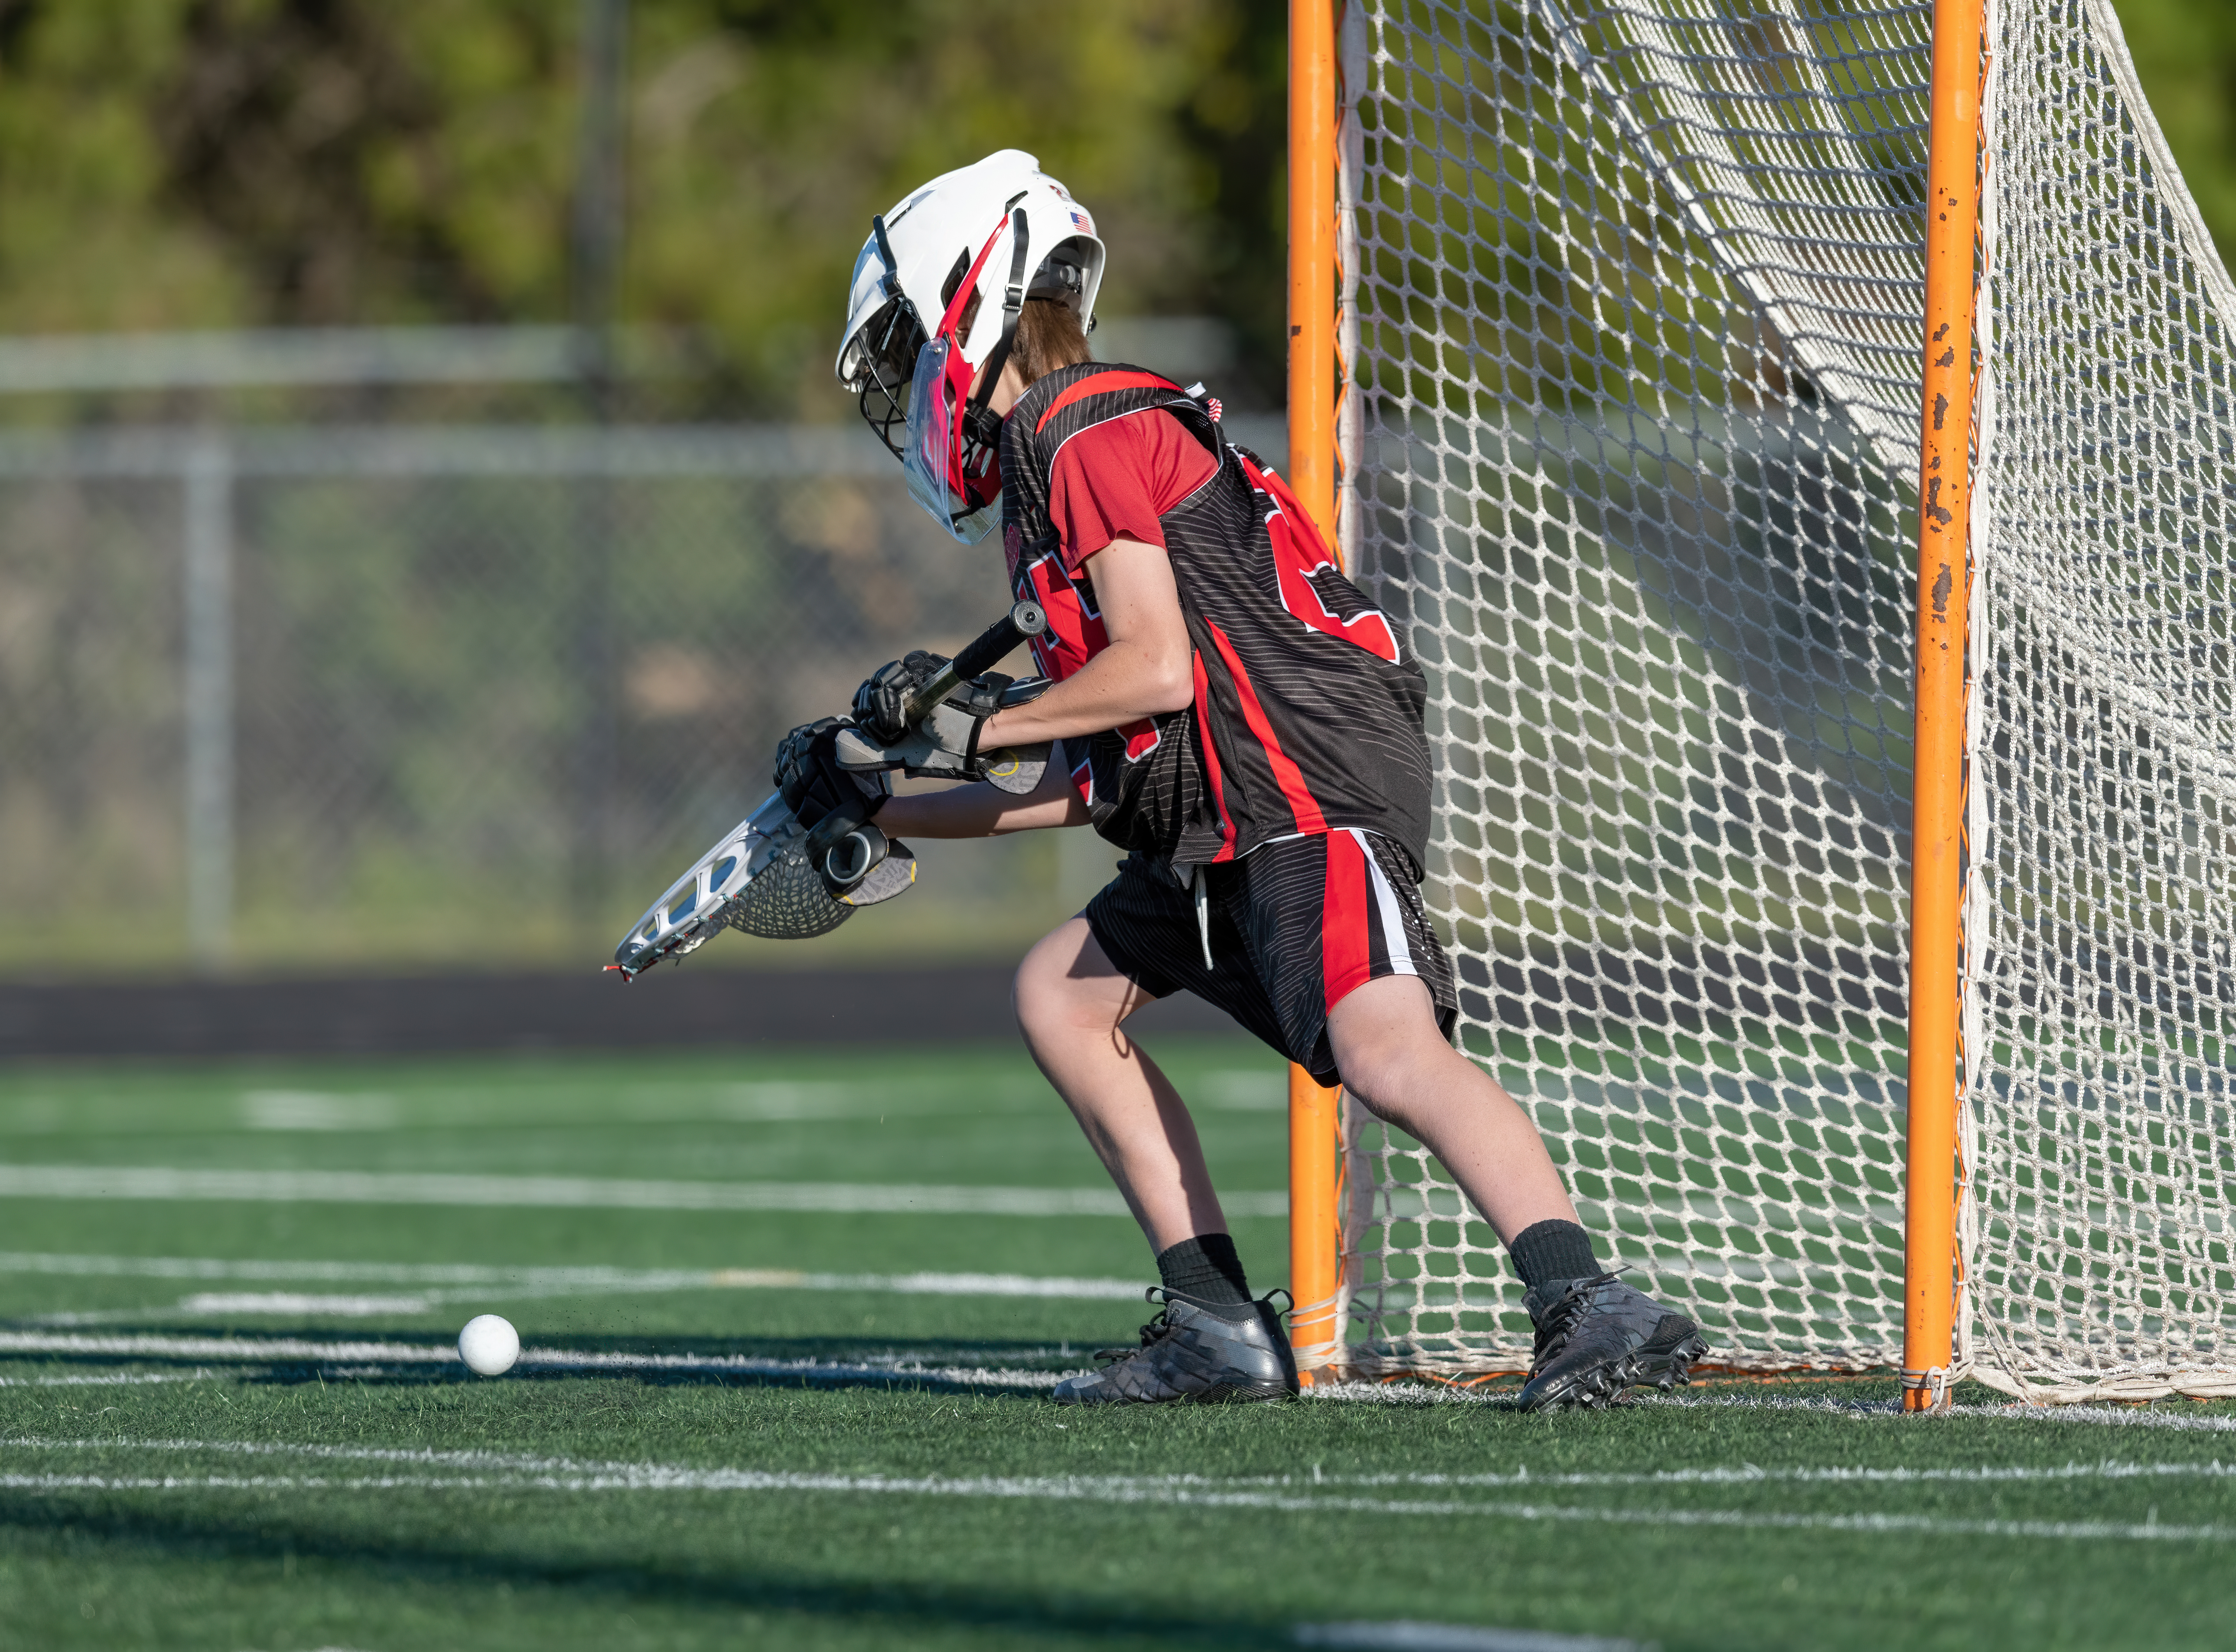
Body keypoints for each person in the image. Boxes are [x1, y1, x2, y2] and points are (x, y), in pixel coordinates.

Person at [777, 149, 1707, 1410]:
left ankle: (1589, 1298)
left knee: (1384, 1051)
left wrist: (973, 722)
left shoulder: (1084, 425)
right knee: (1062, 994)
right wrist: (884, 802)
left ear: (968, 297)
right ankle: (1217, 1323)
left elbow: (1155, 670)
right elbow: (1091, 772)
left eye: (905, 349)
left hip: (1297, 781)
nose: (906, 387)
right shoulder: (1052, 474)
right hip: (1218, 813)